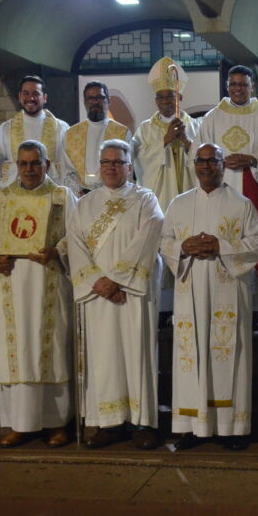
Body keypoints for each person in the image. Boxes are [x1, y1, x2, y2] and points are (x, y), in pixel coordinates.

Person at [160, 144, 258, 451]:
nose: (206, 166)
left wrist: (221, 247)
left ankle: (231, 428)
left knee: (227, 355)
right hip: (190, 290)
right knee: (191, 355)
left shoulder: (241, 204)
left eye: (213, 161)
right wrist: (184, 247)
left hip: (228, 292)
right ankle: (192, 427)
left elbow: (257, 243)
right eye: (201, 161)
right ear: (195, 165)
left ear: (223, 165)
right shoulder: (179, 204)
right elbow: (164, 241)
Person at [0, 140, 77, 448]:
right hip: (12, 284)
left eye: (36, 163)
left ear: (47, 165)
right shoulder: (2, 198)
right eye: (24, 163)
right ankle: (19, 424)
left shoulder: (62, 197)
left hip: (50, 282)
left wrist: (58, 251)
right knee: (15, 353)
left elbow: (77, 236)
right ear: (16, 166)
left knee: (52, 350)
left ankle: (56, 423)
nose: (30, 169)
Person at [67, 139, 164, 450]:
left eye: (118, 162)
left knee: (138, 354)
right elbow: (75, 245)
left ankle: (142, 422)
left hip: (132, 294)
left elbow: (149, 236)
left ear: (129, 166)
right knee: (103, 357)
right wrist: (98, 281)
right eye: (106, 162)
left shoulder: (145, 199)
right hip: (98, 297)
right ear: (99, 167)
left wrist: (118, 280)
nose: (111, 167)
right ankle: (108, 423)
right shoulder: (84, 205)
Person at [193, 65, 258, 330]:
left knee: (250, 244)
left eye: (243, 84)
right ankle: (216, 301)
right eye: (233, 84)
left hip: (252, 187)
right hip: (219, 189)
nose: (238, 89)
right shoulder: (212, 118)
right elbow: (197, 153)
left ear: (253, 87)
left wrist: (252, 159)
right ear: (227, 87)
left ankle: (254, 310)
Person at [133, 57, 199, 206]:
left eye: (170, 95)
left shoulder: (196, 126)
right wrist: (165, 140)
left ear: (180, 97)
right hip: (159, 196)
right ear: (155, 100)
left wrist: (187, 142)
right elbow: (139, 160)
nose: (165, 101)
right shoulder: (145, 129)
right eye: (159, 97)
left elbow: (206, 158)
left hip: (190, 191)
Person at [0, 75, 70, 188]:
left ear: (45, 98)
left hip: (50, 192)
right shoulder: (5, 129)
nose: (30, 98)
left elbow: (68, 165)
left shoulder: (61, 128)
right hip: (16, 194)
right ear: (19, 96)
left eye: (36, 94)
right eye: (26, 93)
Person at [63, 81, 130, 193]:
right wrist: (79, 191)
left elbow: (126, 167)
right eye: (90, 98)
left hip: (110, 194)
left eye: (100, 97)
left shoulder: (122, 132)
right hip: (79, 196)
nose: (95, 102)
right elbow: (66, 168)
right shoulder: (71, 133)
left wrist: (100, 192)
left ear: (108, 101)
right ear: (85, 102)